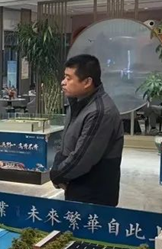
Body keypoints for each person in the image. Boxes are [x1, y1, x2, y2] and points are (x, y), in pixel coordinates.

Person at [50, 54, 123, 206]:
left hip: (93, 193)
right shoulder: (77, 103)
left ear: (87, 82)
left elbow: (82, 159)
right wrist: (58, 167)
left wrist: (57, 175)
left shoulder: (99, 112)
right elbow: (67, 144)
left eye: (69, 78)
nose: (63, 82)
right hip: (76, 186)